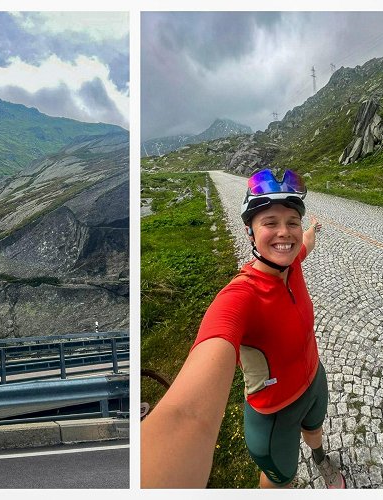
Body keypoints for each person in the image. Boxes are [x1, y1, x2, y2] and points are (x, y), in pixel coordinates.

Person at [141, 168, 345, 489]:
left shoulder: (292, 263)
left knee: (315, 429)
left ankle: (319, 457)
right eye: (270, 223)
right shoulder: (240, 297)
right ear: (250, 232)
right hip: (275, 413)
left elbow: (305, 243)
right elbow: (185, 416)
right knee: (279, 481)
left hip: (313, 380)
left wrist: (313, 228)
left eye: (292, 221)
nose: (285, 232)